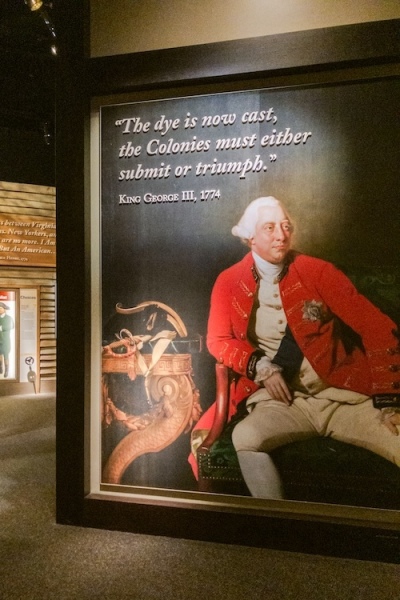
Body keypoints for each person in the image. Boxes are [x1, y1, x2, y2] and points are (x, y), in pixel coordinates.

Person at [202, 196, 400, 499]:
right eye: (270, 228)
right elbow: (218, 341)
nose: (281, 235)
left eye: (286, 226)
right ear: (250, 237)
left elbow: (377, 327)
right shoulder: (228, 281)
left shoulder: (317, 271)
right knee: (246, 437)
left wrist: (390, 402)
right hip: (283, 402)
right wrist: (262, 367)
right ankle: (276, 525)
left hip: (341, 397)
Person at [0, 301, 14, 378]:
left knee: (6, 356)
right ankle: (0, 368)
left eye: (1, 308)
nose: (0, 310)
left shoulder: (9, 318)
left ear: (4, 309)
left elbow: (12, 326)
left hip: (6, 341)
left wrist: (2, 328)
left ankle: (6, 371)